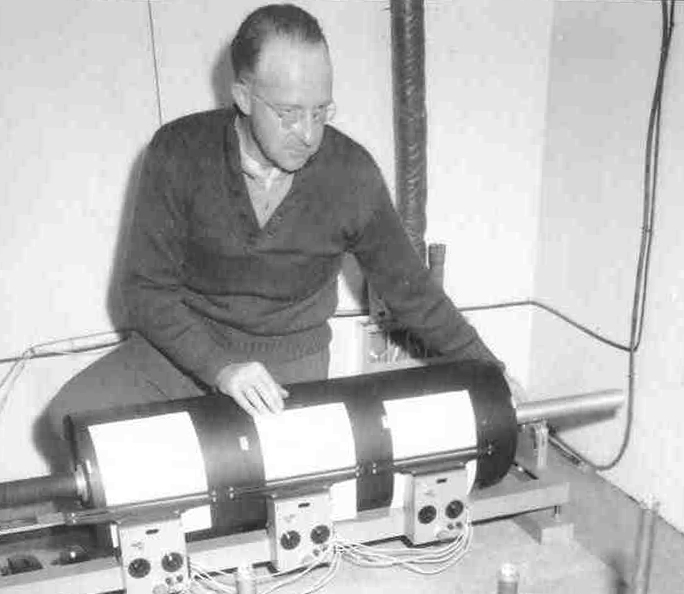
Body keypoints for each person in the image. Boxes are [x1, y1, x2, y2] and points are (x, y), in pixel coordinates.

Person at [38, 3, 499, 465]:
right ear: (242, 95)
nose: (308, 134)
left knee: (264, 479)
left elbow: (413, 292)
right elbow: (144, 291)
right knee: (69, 418)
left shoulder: (350, 173)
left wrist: (491, 373)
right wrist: (220, 368)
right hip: (182, 346)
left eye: (322, 111)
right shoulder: (178, 153)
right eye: (289, 113)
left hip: (288, 364)